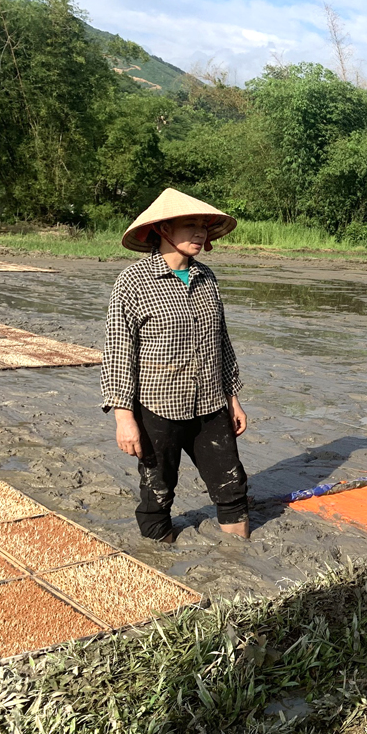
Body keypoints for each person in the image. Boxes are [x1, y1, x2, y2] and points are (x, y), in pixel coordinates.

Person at [102, 188, 251, 543]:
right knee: (158, 494)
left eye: (203, 226)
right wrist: (125, 419)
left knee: (233, 488)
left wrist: (233, 398)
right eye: (190, 225)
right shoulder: (133, 281)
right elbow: (119, 352)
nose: (200, 233)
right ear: (164, 229)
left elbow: (221, 342)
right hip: (159, 406)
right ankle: (158, 563)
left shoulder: (207, 280)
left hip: (210, 404)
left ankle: (238, 562)